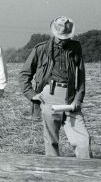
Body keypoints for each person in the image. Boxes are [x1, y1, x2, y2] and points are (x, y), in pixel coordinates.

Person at [19, 16, 91, 158]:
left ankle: (86, 175)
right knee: (51, 142)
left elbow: (81, 76)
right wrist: (32, 94)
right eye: (60, 36)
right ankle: (53, 175)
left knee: (83, 141)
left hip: (71, 97)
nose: (62, 39)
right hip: (49, 96)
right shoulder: (41, 49)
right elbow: (24, 74)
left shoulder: (75, 48)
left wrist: (79, 98)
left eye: (65, 36)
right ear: (53, 32)